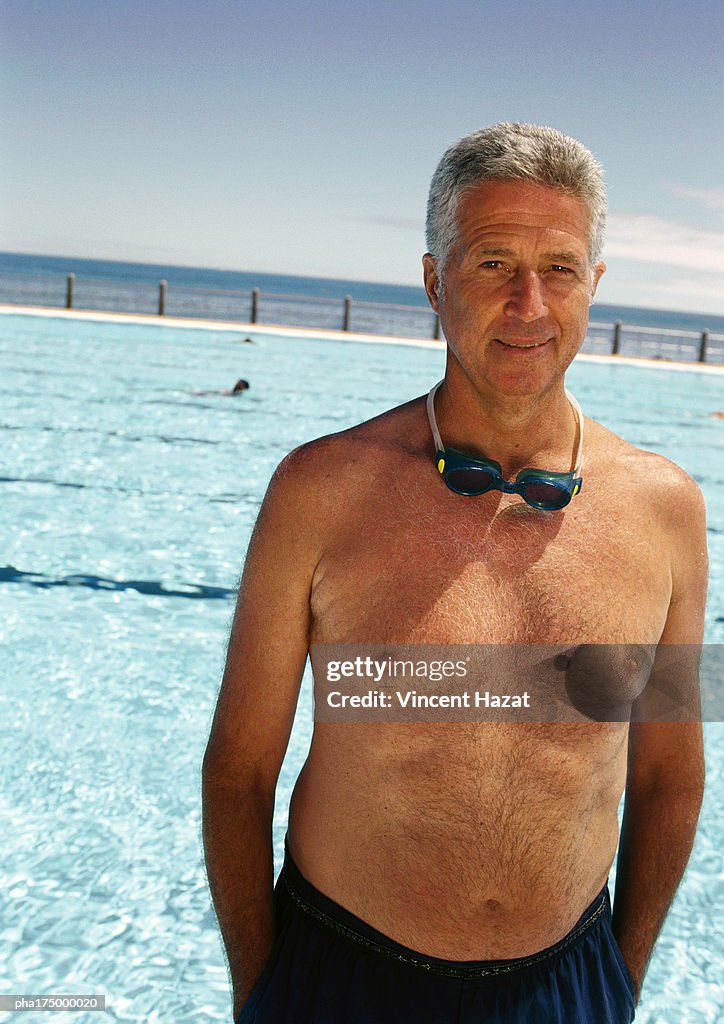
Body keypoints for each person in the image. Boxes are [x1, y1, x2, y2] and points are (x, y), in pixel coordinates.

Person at [202, 123, 707, 1023]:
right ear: (435, 280)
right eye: (491, 264)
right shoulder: (319, 491)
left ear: (594, 286)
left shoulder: (666, 511)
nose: (528, 303)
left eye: (559, 268)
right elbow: (240, 770)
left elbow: (670, 775)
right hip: (342, 975)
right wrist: (263, 994)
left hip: (570, 983)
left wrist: (617, 986)